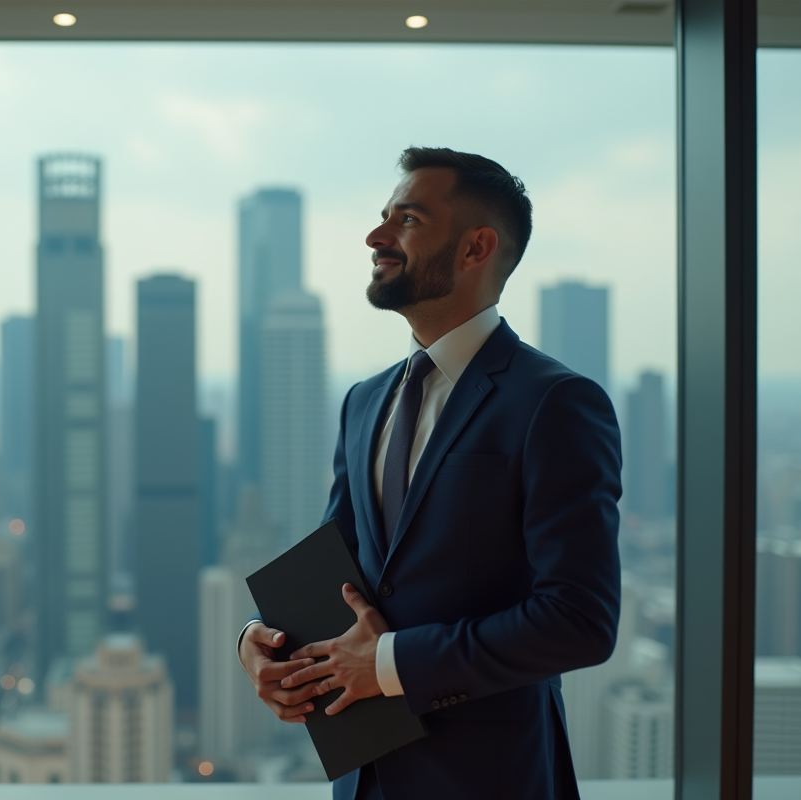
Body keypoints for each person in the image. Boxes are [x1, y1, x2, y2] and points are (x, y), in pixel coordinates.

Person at [238, 147, 622, 799]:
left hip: (492, 780)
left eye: (407, 220)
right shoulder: (365, 401)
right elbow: (339, 573)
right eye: (383, 216)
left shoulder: (554, 403)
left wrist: (389, 665)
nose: (376, 236)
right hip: (363, 777)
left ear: (476, 248)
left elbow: (579, 619)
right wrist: (262, 640)